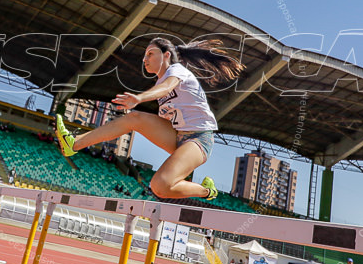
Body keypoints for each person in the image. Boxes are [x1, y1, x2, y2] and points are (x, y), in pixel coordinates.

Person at [54, 37, 244, 200]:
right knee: (134, 118)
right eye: (145, 55)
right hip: (177, 136)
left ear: (166, 55)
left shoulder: (177, 71)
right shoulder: (160, 81)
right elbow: (168, 103)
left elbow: (167, 87)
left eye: (150, 53)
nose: (145, 59)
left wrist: (139, 97)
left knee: (159, 186)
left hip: (199, 139)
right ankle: (73, 144)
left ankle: (207, 191)